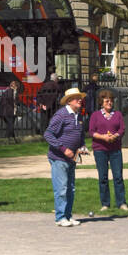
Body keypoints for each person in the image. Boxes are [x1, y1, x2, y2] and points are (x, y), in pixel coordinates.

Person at [44, 87, 86, 226]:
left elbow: (80, 135)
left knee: (70, 188)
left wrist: (82, 146)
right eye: (76, 98)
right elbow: (48, 134)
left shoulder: (79, 116)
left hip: (72, 158)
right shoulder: (61, 115)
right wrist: (63, 148)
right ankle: (60, 217)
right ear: (69, 101)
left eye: (80, 97)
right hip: (59, 157)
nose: (80, 100)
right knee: (61, 188)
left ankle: (68, 216)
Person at [88, 89, 127, 212]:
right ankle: (105, 203)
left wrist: (115, 136)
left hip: (115, 149)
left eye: (111, 101)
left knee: (118, 177)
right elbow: (91, 131)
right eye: (107, 101)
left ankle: (121, 203)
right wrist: (103, 137)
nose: (109, 103)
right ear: (101, 102)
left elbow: (122, 129)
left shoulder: (118, 114)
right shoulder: (95, 115)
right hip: (100, 149)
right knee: (103, 177)